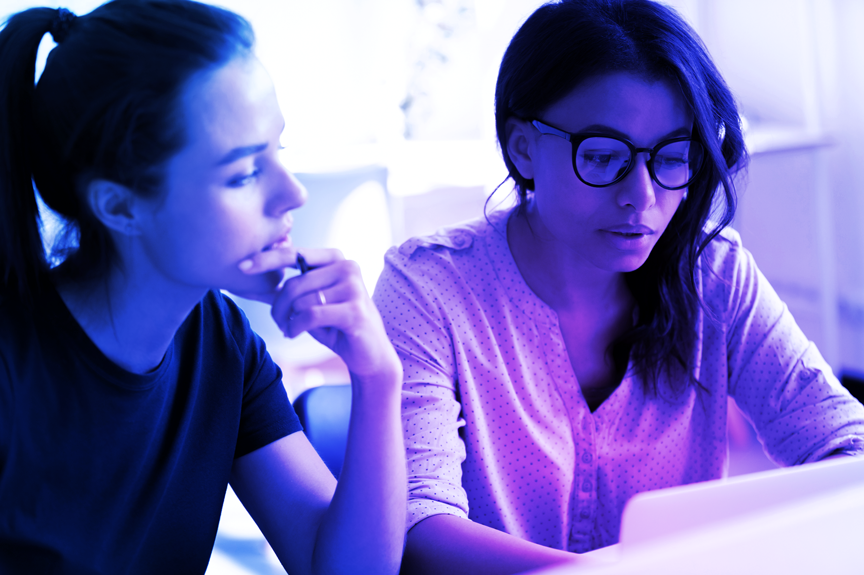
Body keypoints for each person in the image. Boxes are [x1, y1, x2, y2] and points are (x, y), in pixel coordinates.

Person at [371, 0, 864, 573]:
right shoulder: (428, 290)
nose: (643, 197)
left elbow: (843, 446)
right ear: (523, 146)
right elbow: (420, 529)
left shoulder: (715, 274)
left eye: (673, 158)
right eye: (603, 157)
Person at [0, 1, 405, 573]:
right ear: (121, 206)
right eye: (243, 173)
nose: (293, 194)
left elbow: (342, 571)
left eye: (278, 152)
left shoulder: (220, 339)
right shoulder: (13, 372)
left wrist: (378, 377)